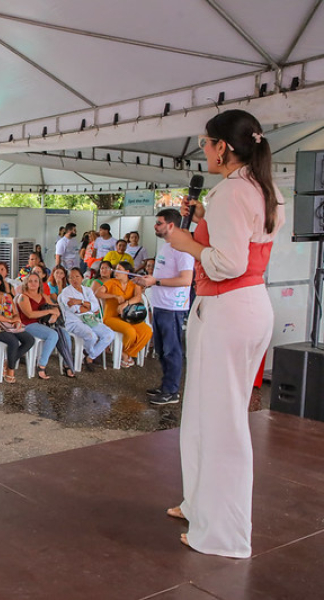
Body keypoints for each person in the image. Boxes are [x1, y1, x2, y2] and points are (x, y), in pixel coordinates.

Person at [162, 109, 284, 558]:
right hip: (244, 306)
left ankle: (224, 534)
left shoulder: (233, 192)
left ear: (223, 148)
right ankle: (200, 505)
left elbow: (227, 263)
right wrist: (203, 221)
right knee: (202, 414)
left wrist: (189, 244)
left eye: (205, 143)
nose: (203, 150)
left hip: (227, 308)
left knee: (221, 423)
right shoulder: (264, 187)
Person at [136, 208, 195, 405]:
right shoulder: (166, 247)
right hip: (160, 305)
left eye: (159, 223)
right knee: (161, 350)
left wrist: (156, 282)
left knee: (172, 350)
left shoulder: (183, 249)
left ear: (170, 225)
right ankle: (166, 385)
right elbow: (161, 276)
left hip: (173, 307)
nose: (155, 226)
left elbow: (186, 280)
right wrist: (149, 281)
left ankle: (172, 391)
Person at [17, 272, 75, 378]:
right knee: (53, 335)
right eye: (30, 281)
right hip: (28, 325)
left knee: (65, 334)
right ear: (26, 284)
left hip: (43, 324)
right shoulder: (23, 297)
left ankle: (67, 364)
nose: (33, 283)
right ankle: (41, 365)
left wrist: (55, 314)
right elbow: (30, 314)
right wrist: (49, 312)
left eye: (36, 281)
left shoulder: (43, 296)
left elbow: (54, 307)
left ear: (39, 283)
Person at [0, 271, 34, 383]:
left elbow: (15, 313)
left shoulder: (7, 296)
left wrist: (17, 321)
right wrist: (9, 320)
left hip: (9, 327)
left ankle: (8, 362)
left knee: (29, 340)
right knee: (13, 341)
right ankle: (10, 370)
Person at [59, 267, 115, 370]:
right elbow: (76, 310)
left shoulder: (87, 290)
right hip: (75, 322)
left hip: (90, 319)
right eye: (71, 277)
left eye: (77, 276)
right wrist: (89, 307)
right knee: (92, 336)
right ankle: (91, 355)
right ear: (68, 279)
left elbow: (96, 306)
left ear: (82, 278)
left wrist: (80, 302)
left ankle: (90, 356)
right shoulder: (66, 292)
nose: (74, 280)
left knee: (109, 334)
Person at [97, 263, 151, 368]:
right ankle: (124, 356)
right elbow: (98, 293)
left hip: (129, 317)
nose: (115, 272)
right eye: (115, 269)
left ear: (127, 272)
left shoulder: (134, 283)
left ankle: (125, 353)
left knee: (147, 331)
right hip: (111, 318)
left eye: (119, 269)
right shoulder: (112, 282)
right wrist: (114, 296)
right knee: (130, 331)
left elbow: (138, 297)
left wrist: (126, 304)